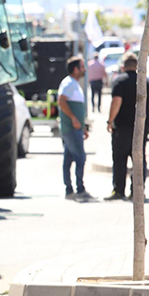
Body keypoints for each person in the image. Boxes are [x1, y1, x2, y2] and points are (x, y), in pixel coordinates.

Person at [105, 52, 149, 201]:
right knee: (139, 160)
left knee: (119, 160)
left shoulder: (119, 81)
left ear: (123, 66)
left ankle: (119, 191)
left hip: (122, 128)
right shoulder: (144, 82)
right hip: (140, 129)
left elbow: (116, 102)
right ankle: (137, 191)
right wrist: (148, 122)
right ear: (137, 66)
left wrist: (110, 121)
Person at [57, 55, 91, 201]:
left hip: (75, 128)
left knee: (69, 158)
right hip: (71, 129)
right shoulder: (68, 83)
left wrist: (82, 126)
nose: (84, 69)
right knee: (80, 158)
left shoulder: (74, 84)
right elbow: (61, 101)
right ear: (76, 69)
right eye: (82, 67)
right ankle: (79, 189)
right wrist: (73, 119)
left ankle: (70, 190)